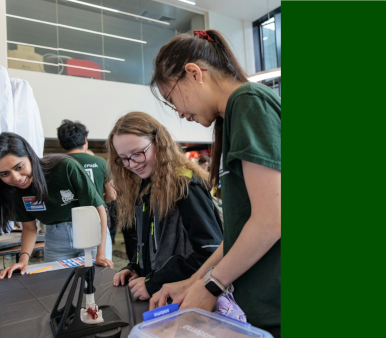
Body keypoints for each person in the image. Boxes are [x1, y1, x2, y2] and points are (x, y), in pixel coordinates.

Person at [148, 30, 281, 337]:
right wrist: (194, 281)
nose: (180, 114)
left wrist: (212, 285)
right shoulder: (235, 113)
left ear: (194, 73)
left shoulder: (247, 102)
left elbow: (271, 220)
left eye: (173, 101)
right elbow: (238, 230)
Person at [108, 112, 224, 301]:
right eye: (123, 158)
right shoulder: (145, 184)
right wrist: (134, 268)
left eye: (137, 153)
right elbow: (148, 244)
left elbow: (210, 252)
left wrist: (154, 281)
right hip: (158, 296)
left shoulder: (185, 185)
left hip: (184, 297)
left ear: (159, 143)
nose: (131, 164)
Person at [0, 133, 114, 279]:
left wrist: (101, 254)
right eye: (4, 174)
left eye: (19, 167)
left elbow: (99, 210)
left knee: (96, 282)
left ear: (30, 156)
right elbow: (30, 228)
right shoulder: (13, 190)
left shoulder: (65, 166)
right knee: (57, 286)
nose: (16, 178)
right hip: (55, 237)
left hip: (90, 229)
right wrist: (23, 261)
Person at [57, 119, 117, 245]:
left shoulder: (56, 164)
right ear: (85, 140)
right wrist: (96, 201)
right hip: (95, 219)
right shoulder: (100, 162)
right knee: (97, 263)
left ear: (61, 143)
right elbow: (112, 195)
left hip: (64, 225)